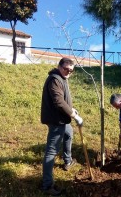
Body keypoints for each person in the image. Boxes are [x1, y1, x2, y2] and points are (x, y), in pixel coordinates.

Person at [40, 57, 83, 196]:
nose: (68, 72)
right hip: (56, 121)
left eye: (71, 71)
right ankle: (47, 185)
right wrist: (74, 115)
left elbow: (63, 99)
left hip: (63, 119)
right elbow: (58, 102)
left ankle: (68, 161)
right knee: (51, 152)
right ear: (59, 66)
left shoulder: (62, 78)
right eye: (66, 69)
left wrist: (72, 109)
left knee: (69, 134)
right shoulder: (54, 80)